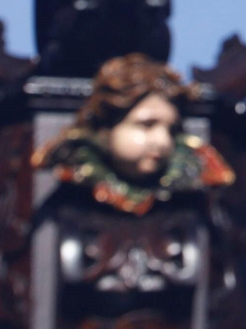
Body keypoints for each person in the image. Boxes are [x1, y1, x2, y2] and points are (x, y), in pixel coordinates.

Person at [34, 53, 233, 214]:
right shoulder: (71, 172)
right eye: (146, 125)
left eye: (171, 131)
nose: (162, 141)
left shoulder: (190, 192)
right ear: (106, 128)